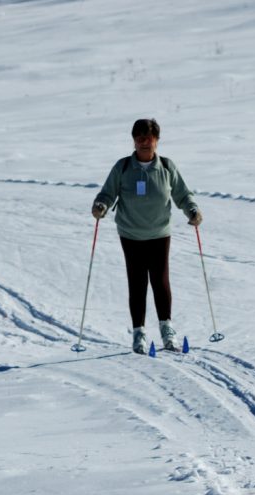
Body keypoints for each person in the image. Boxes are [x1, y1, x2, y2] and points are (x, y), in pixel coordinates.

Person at [92, 118, 203, 354]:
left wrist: (192, 210)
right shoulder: (123, 167)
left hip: (159, 232)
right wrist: (100, 205)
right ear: (134, 141)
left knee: (161, 281)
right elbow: (107, 193)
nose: (144, 142)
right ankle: (139, 333)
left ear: (157, 140)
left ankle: (167, 329)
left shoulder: (167, 167)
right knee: (137, 281)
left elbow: (183, 194)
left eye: (149, 138)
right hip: (130, 233)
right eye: (140, 138)